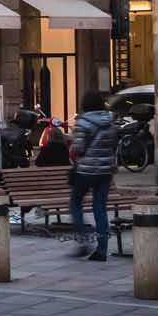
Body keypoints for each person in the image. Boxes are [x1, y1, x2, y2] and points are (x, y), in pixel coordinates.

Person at [68, 88, 118, 262]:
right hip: (105, 170)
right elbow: (113, 144)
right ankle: (102, 250)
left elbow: (78, 149)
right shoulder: (110, 121)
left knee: (75, 203)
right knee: (100, 208)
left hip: (86, 170)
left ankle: (83, 238)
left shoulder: (82, 123)